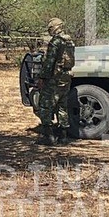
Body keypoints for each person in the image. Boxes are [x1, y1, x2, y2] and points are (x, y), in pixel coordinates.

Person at [35, 17, 75, 146]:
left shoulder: (56, 42)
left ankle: (48, 136)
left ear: (54, 27)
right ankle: (63, 137)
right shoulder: (69, 41)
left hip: (55, 78)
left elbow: (49, 62)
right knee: (62, 106)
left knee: (45, 105)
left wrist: (42, 78)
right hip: (66, 76)